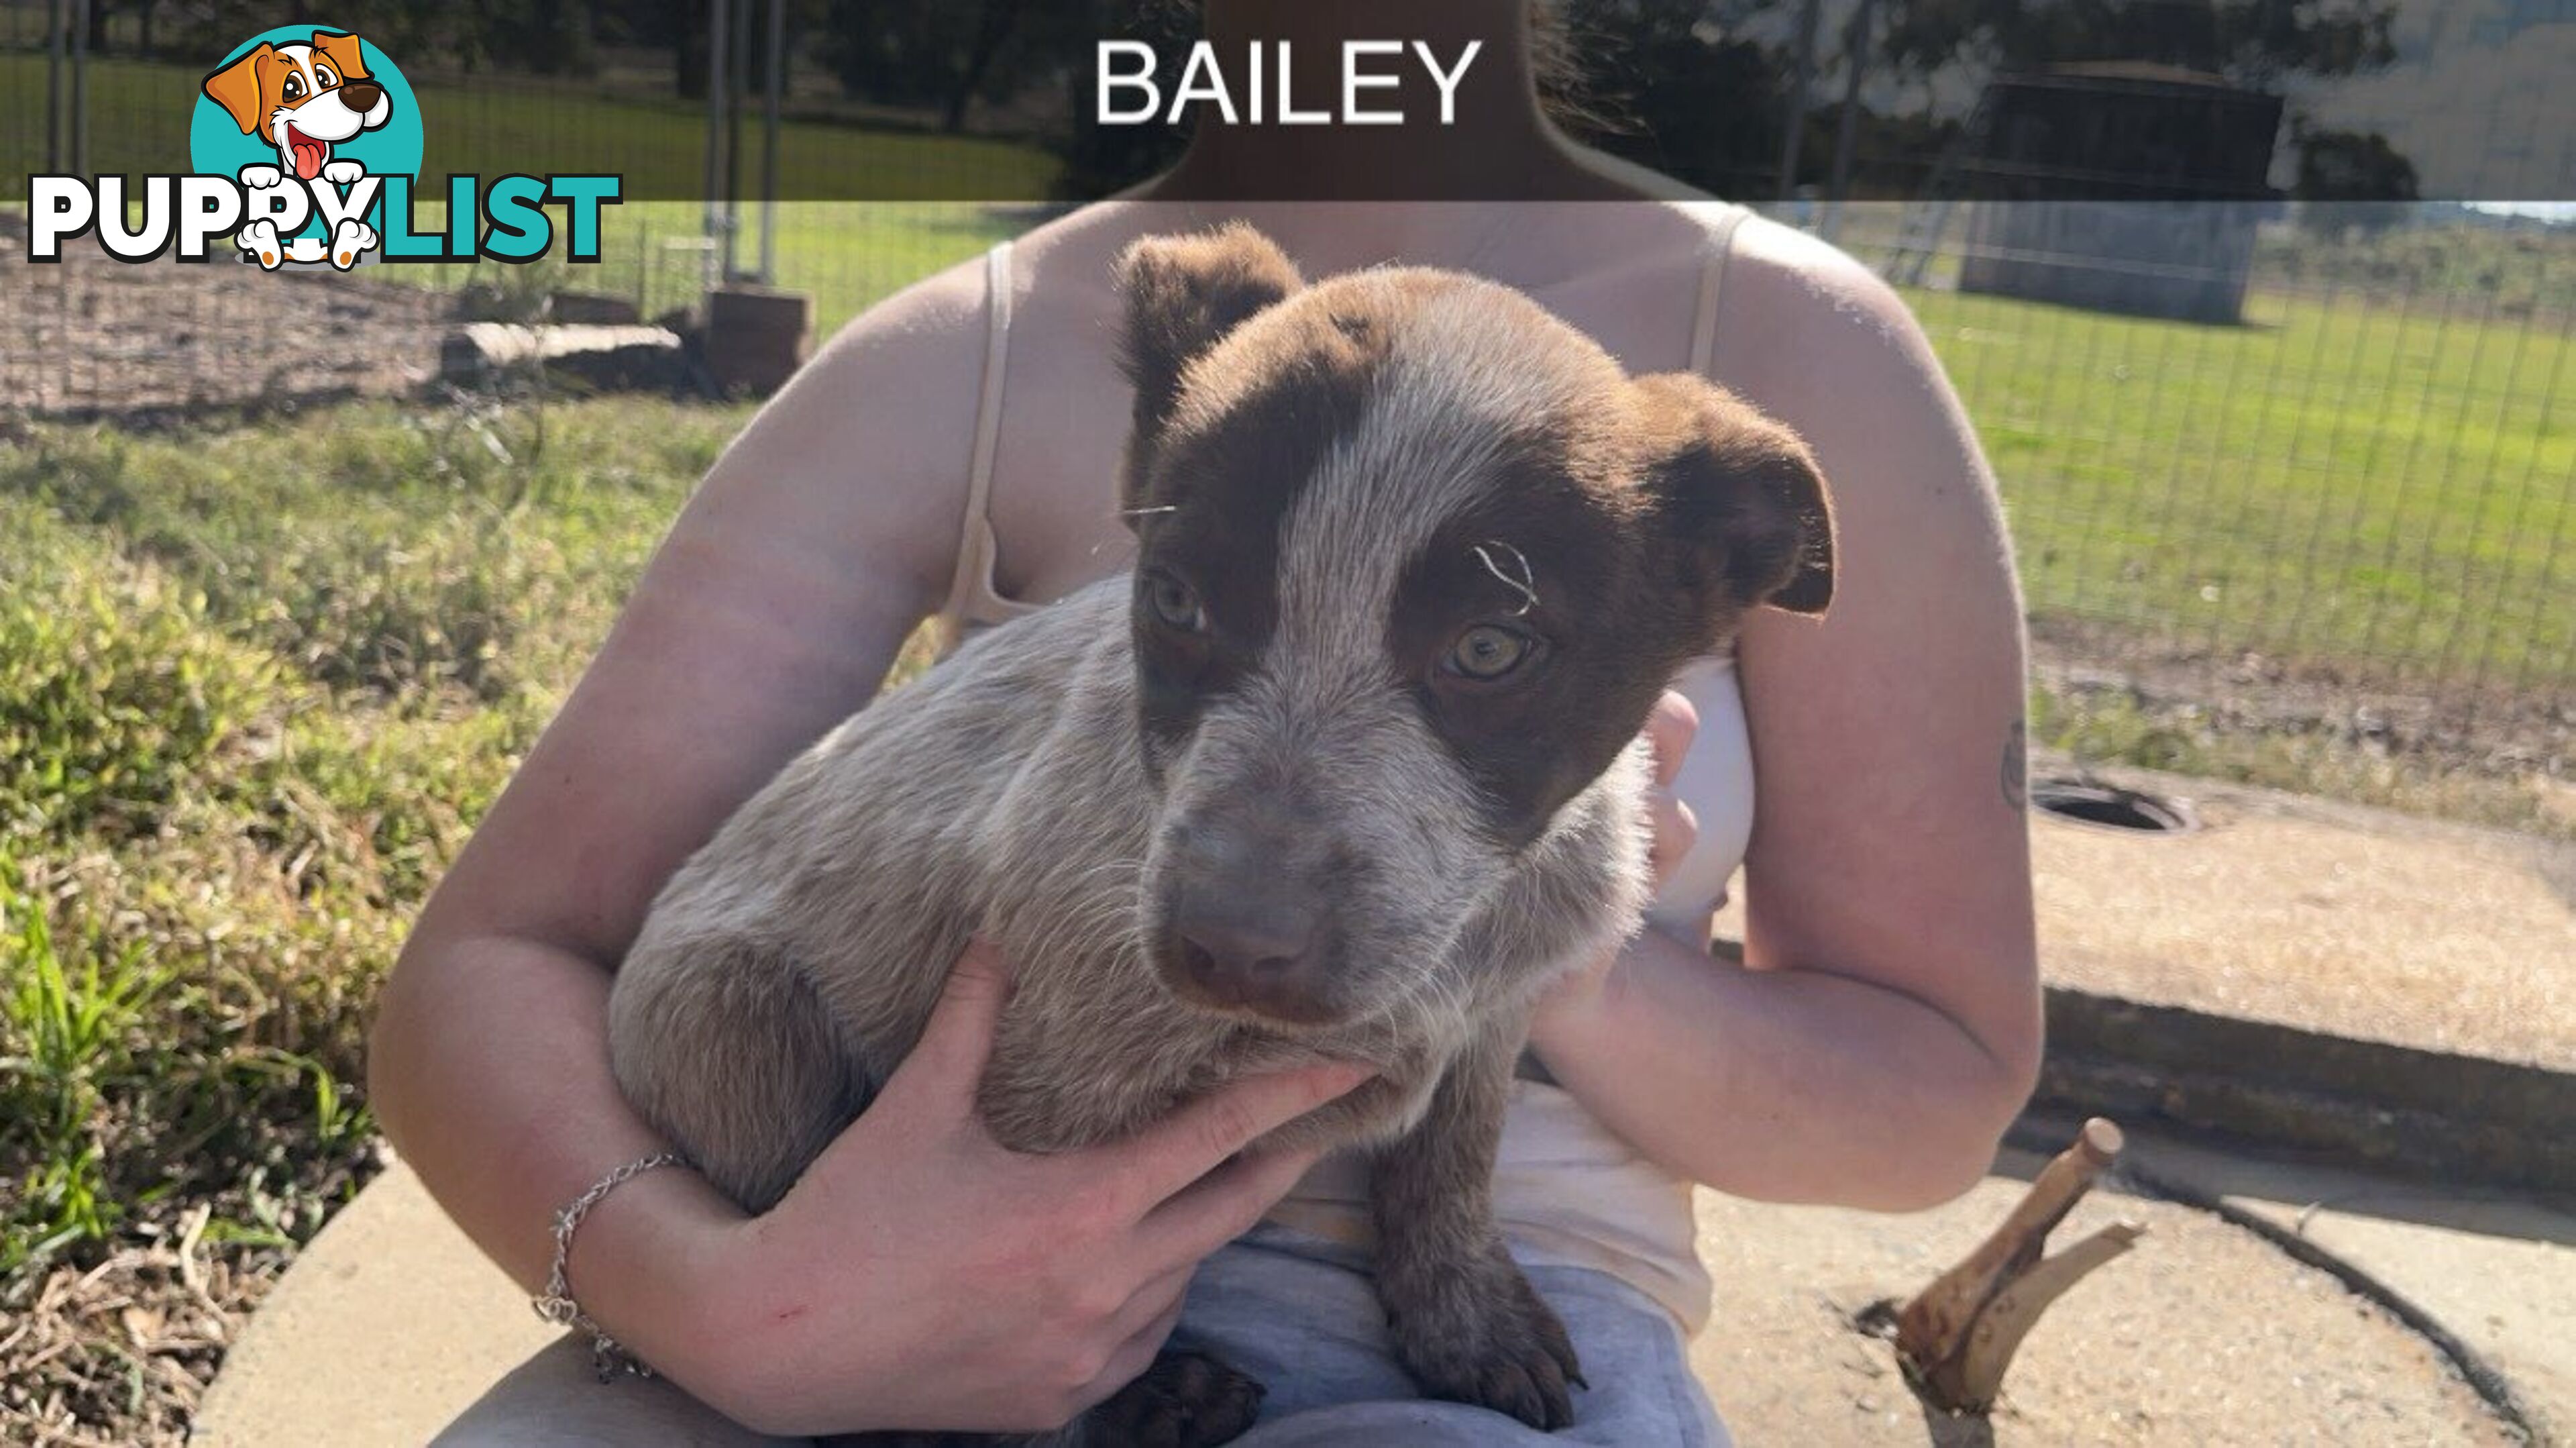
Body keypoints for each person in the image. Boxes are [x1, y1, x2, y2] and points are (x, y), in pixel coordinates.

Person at [370, 2, 2042, 1441]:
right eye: (1184, 598)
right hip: (838, 1265)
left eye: (1484, 655)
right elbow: (494, 956)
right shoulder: (982, 348)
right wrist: (730, 1302)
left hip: (1480, 1343)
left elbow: (1936, 1093)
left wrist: (1557, 945)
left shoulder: (1795, 365)